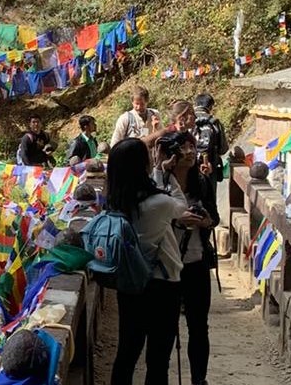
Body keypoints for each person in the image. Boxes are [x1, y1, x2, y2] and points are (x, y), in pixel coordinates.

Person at [106, 137, 197, 385]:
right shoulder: (160, 203)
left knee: (126, 353)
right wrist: (164, 173)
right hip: (163, 285)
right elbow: (181, 206)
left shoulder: (115, 202)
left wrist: (158, 171)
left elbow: (149, 195)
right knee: (158, 359)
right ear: (141, 166)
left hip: (130, 284)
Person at [152, 131, 218, 385]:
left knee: (199, 327)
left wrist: (203, 221)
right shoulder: (160, 183)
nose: (190, 152)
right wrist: (177, 220)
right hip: (167, 265)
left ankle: (199, 380)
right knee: (165, 330)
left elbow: (214, 218)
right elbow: (151, 217)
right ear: (172, 154)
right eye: (184, 147)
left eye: (193, 146)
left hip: (196, 261)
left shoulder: (201, 182)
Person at [193, 93, 228, 183]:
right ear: (210, 106)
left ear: (195, 104)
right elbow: (223, 149)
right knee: (209, 194)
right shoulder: (214, 122)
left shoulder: (187, 120)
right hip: (210, 167)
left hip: (190, 166)